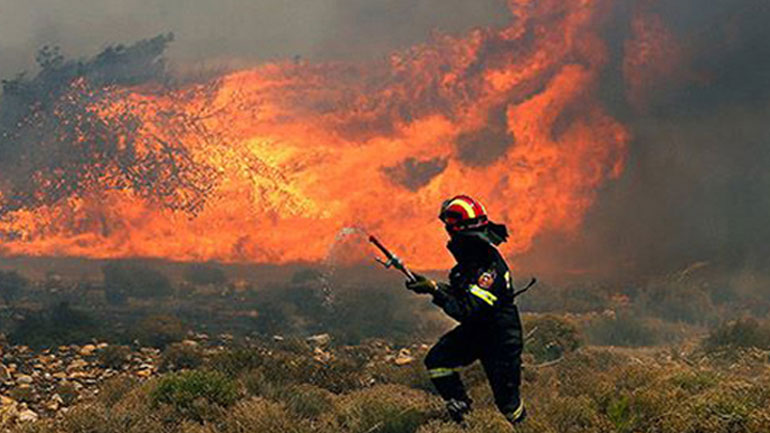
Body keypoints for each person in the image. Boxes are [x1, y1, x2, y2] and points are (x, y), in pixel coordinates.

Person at [405, 195, 526, 425]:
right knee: (437, 360)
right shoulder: (472, 259)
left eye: (450, 230)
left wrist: (435, 292)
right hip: (478, 332)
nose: (448, 235)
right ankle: (465, 419)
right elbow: (464, 296)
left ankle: (524, 427)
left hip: (500, 341)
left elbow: (466, 310)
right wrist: (433, 286)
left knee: (508, 406)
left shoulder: (487, 271)